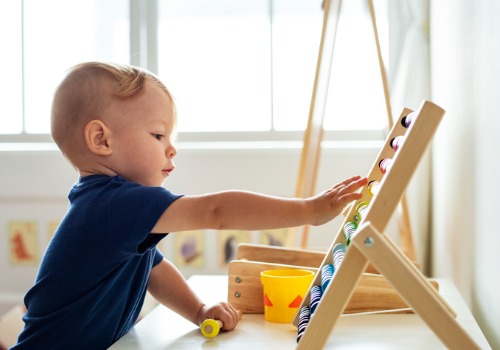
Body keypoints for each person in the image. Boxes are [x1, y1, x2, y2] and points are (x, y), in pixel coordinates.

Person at [12, 62, 367, 349]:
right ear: (101, 139)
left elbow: (153, 268)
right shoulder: (114, 205)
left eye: (171, 137)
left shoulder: (110, 208)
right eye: (157, 135)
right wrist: (307, 211)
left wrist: (199, 311)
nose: (171, 148)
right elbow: (217, 212)